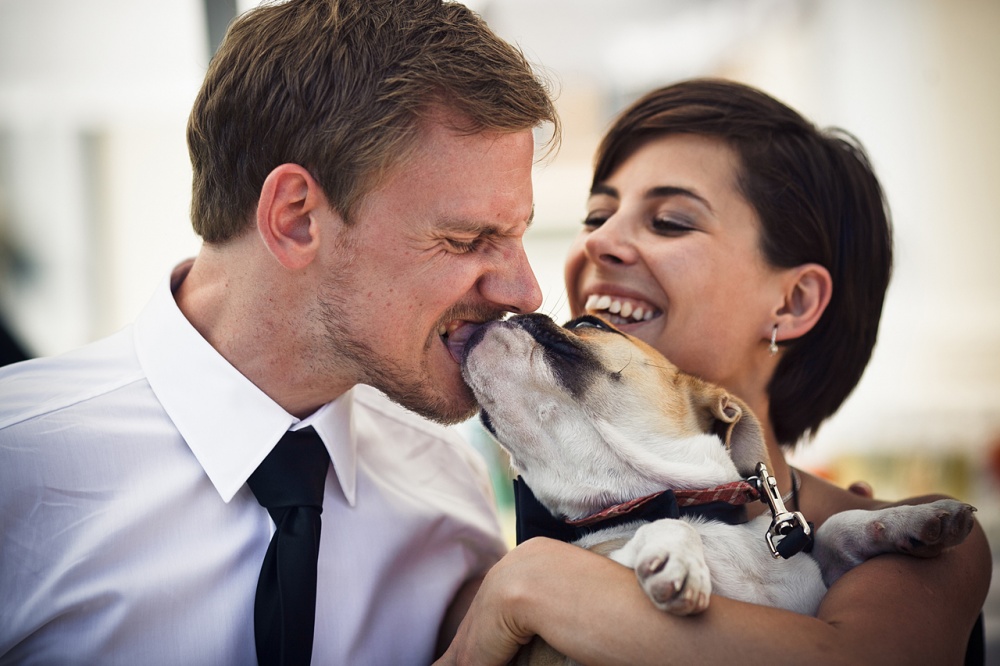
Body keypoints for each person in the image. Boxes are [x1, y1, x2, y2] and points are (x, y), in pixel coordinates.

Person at [0, 0, 558, 664]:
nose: (525, 292)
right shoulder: (18, 465)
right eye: (466, 240)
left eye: (518, 235)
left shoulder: (449, 490)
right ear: (295, 219)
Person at [437, 79, 991, 665]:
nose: (601, 241)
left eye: (670, 221)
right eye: (597, 215)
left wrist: (532, 585)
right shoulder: (511, 536)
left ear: (793, 302)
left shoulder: (912, 543)